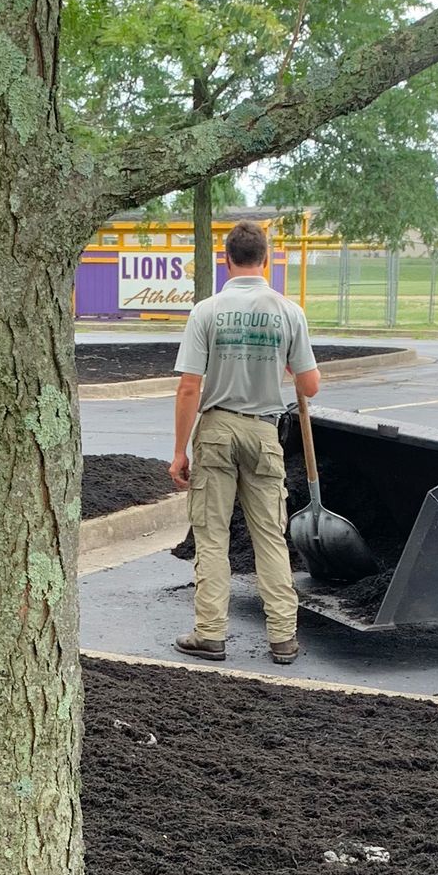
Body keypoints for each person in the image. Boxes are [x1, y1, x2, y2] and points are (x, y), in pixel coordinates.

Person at [169, 219, 317, 663]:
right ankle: (283, 638)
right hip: (263, 432)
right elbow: (309, 386)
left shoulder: (206, 311)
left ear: (227, 260)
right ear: (266, 259)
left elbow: (189, 388)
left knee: (212, 536)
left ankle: (210, 633)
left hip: (215, 430)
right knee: (270, 536)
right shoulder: (289, 312)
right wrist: (286, 365)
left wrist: (180, 451)